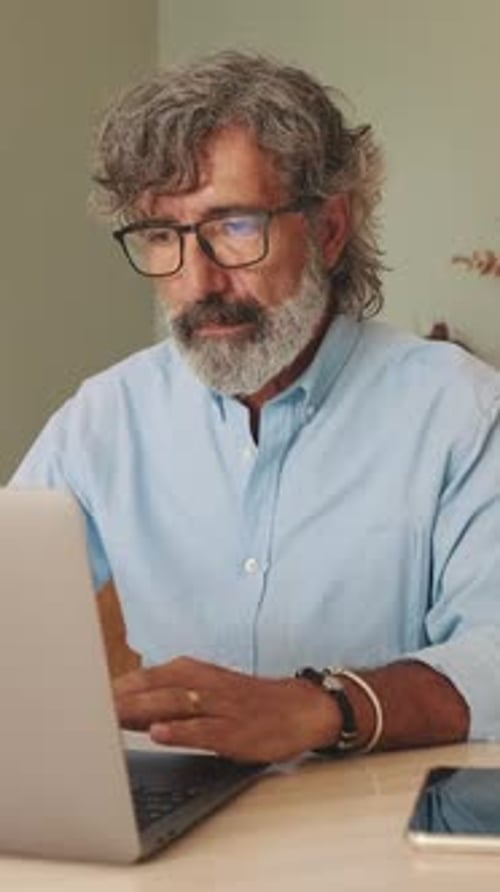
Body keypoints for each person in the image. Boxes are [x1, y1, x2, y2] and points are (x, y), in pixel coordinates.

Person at [10, 50, 500, 763]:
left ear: (330, 228)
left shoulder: (463, 413)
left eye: (235, 226)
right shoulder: (102, 420)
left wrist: (324, 707)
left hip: (379, 841)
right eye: (162, 236)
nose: (198, 278)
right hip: (170, 844)